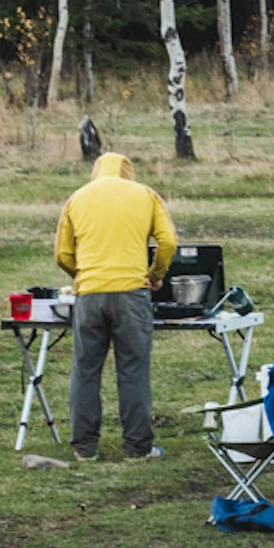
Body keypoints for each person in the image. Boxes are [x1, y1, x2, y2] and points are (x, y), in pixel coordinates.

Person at [55, 149, 178, 460]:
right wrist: (155, 274)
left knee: (85, 370)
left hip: (89, 296)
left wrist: (82, 277)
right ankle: (138, 448)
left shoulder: (77, 198)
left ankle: (85, 448)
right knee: (133, 371)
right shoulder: (146, 195)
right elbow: (168, 242)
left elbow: (62, 255)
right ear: (128, 172)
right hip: (132, 294)